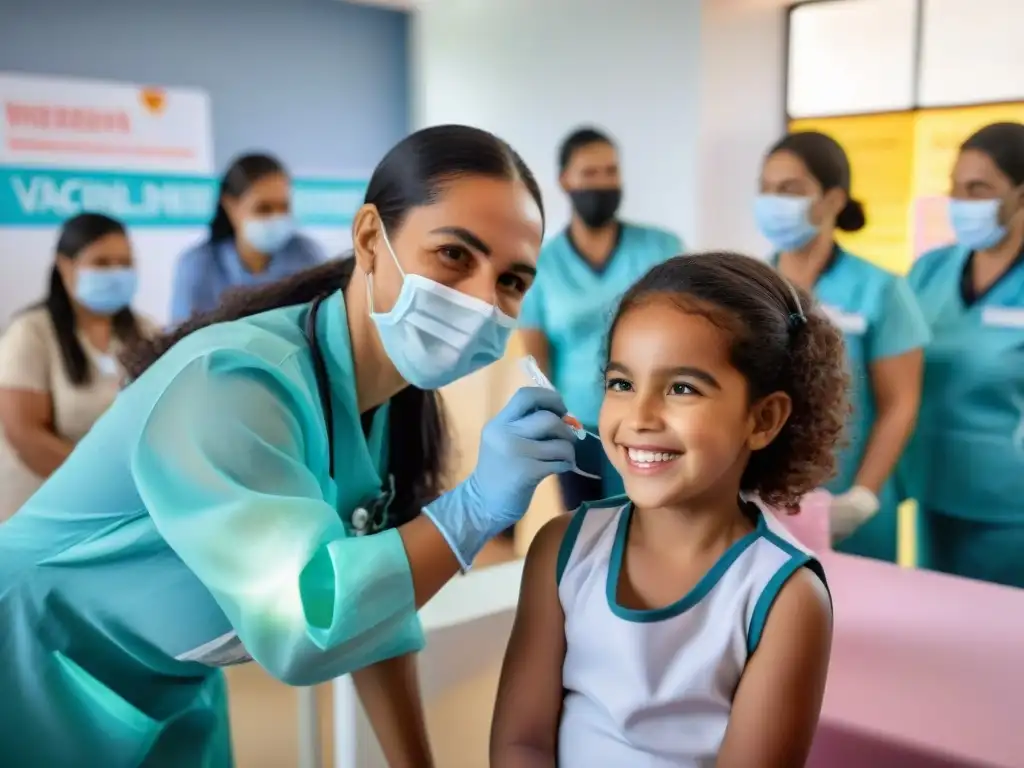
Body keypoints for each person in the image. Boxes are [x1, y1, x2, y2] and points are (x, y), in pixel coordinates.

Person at [0, 125, 579, 767]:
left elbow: (374, 622)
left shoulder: (385, 410)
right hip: (33, 661)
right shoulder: (232, 382)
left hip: (170, 682)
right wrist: (473, 509)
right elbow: (307, 623)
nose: (480, 299)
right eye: (454, 256)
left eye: (511, 281)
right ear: (369, 239)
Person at [491, 252, 845, 767]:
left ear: (763, 418)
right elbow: (521, 743)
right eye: (622, 383)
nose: (640, 416)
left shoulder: (786, 597)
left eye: (682, 388)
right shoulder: (561, 549)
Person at [756, 131, 929, 562]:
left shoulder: (881, 289)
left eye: (790, 189)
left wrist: (862, 498)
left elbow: (900, 404)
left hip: (848, 499)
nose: (772, 200)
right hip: (763, 496)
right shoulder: (751, 285)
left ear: (833, 200)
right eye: (766, 188)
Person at [518, 127, 684, 511]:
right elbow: (537, 360)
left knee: (650, 523)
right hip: (579, 429)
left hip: (649, 419)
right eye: (590, 174)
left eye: (611, 172)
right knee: (588, 532)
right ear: (565, 180)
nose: (603, 183)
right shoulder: (542, 264)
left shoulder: (661, 248)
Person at [902, 122, 1024, 588]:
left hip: (1010, 506)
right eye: (955, 189)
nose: (962, 203)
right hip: (932, 487)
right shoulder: (931, 269)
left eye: (979, 189)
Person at [0, 213, 153, 521]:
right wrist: (101, 482)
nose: (116, 272)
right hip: (41, 510)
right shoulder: (32, 332)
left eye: (125, 263)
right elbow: (24, 433)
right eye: (101, 263)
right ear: (65, 265)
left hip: (117, 510)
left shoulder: (145, 332)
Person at [169, 152, 324, 324]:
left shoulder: (307, 256)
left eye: (284, 207)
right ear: (230, 206)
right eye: (263, 208)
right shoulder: (198, 266)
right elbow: (183, 341)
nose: (276, 217)